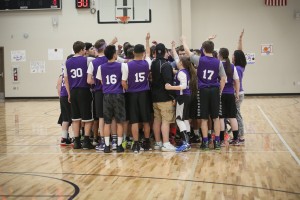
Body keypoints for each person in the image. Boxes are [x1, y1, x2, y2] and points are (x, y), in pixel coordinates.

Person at [181, 36, 226, 150]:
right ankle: (216, 142)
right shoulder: (218, 62)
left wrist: (184, 41)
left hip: (203, 91)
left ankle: (205, 142)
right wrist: (220, 90)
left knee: (204, 118)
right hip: (214, 90)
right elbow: (223, 79)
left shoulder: (199, 59)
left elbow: (187, 52)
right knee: (216, 118)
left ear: (203, 50)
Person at [165, 41, 198, 152]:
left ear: (181, 64)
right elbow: (175, 56)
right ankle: (187, 142)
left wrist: (170, 88)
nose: (177, 60)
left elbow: (183, 86)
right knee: (184, 119)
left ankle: (185, 142)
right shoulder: (183, 71)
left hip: (183, 98)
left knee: (179, 119)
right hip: (186, 97)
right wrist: (173, 47)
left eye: (179, 61)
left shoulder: (182, 73)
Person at [122, 33, 152, 153]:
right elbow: (149, 53)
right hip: (144, 93)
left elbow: (123, 82)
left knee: (134, 120)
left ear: (133, 53)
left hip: (132, 94)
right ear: (143, 53)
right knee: (145, 120)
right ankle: (146, 142)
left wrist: (131, 87)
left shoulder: (126, 65)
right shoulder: (147, 63)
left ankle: (135, 144)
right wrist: (147, 40)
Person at [96, 45, 128, 153]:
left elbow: (102, 82)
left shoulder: (101, 67)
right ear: (114, 54)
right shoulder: (122, 66)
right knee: (119, 122)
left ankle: (106, 146)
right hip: (118, 95)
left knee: (107, 122)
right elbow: (123, 83)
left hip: (106, 95)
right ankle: (119, 146)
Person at [64, 41, 94, 149]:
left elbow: (66, 80)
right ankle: (86, 141)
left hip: (73, 92)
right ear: (82, 50)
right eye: (85, 49)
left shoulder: (67, 62)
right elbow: (101, 57)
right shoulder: (87, 59)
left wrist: (68, 94)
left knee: (75, 118)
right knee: (88, 118)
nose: (85, 51)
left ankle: (76, 142)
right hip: (84, 90)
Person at [150, 43, 176, 152]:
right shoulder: (166, 65)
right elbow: (168, 83)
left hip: (154, 97)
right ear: (165, 52)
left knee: (157, 120)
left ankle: (158, 142)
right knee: (166, 121)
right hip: (164, 97)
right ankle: (166, 143)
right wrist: (173, 96)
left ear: (155, 52)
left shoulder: (153, 63)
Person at [87, 39, 108, 151]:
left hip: (99, 92)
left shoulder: (93, 63)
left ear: (96, 49)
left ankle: (103, 141)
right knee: (112, 117)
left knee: (101, 117)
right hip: (110, 91)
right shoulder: (110, 59)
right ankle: (113, 141)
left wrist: (97, 81)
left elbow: (89, 80)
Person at [218, 48, 240, 146]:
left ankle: (222, 140)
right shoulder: (232, 66)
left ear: (220, 55)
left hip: (221, 94)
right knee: (232, 117)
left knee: (221, 118)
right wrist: (237, 93)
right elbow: (237, 81)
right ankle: (236, 139)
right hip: (230, 94)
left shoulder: (218, 65)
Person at [234, 29, 247, 144]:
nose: (232, 57)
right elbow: (240, 51)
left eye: (233, 56)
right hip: (239, 93)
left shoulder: (237, 68)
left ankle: (241, 136)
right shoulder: (240, 66)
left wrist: (236, 94)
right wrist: (240, 39)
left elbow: (235, 83)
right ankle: (237, 134)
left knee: (237, 114)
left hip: (237, 93)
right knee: (235, 114)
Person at [57, 56, 73, 146]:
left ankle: (64, 138)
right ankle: (75, 138)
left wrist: (60, 96)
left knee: (65, 118)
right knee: (74, 118)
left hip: (62, 97)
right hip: (68, 96)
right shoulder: (69, 74)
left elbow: (58, 87)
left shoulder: (62, 75)